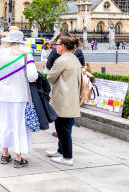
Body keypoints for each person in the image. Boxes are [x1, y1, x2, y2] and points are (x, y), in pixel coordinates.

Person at [0, 30, 38, 168]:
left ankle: (5, 154)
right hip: (19, 94)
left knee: (4, 123)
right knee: (18, 125)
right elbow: (32, 76)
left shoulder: (0, 52)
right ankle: (18, 157)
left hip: (2, 94)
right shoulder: (26, 53)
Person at [46, 34, 82, 166]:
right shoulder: (73, 58)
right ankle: (60, 151)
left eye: (57, 44)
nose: (55, 46)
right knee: (63, 127)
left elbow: (50, 77)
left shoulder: (62, 60)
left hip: (63, 98)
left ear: (63, 47)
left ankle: (67, 157)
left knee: (63, 129)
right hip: (70, 97)